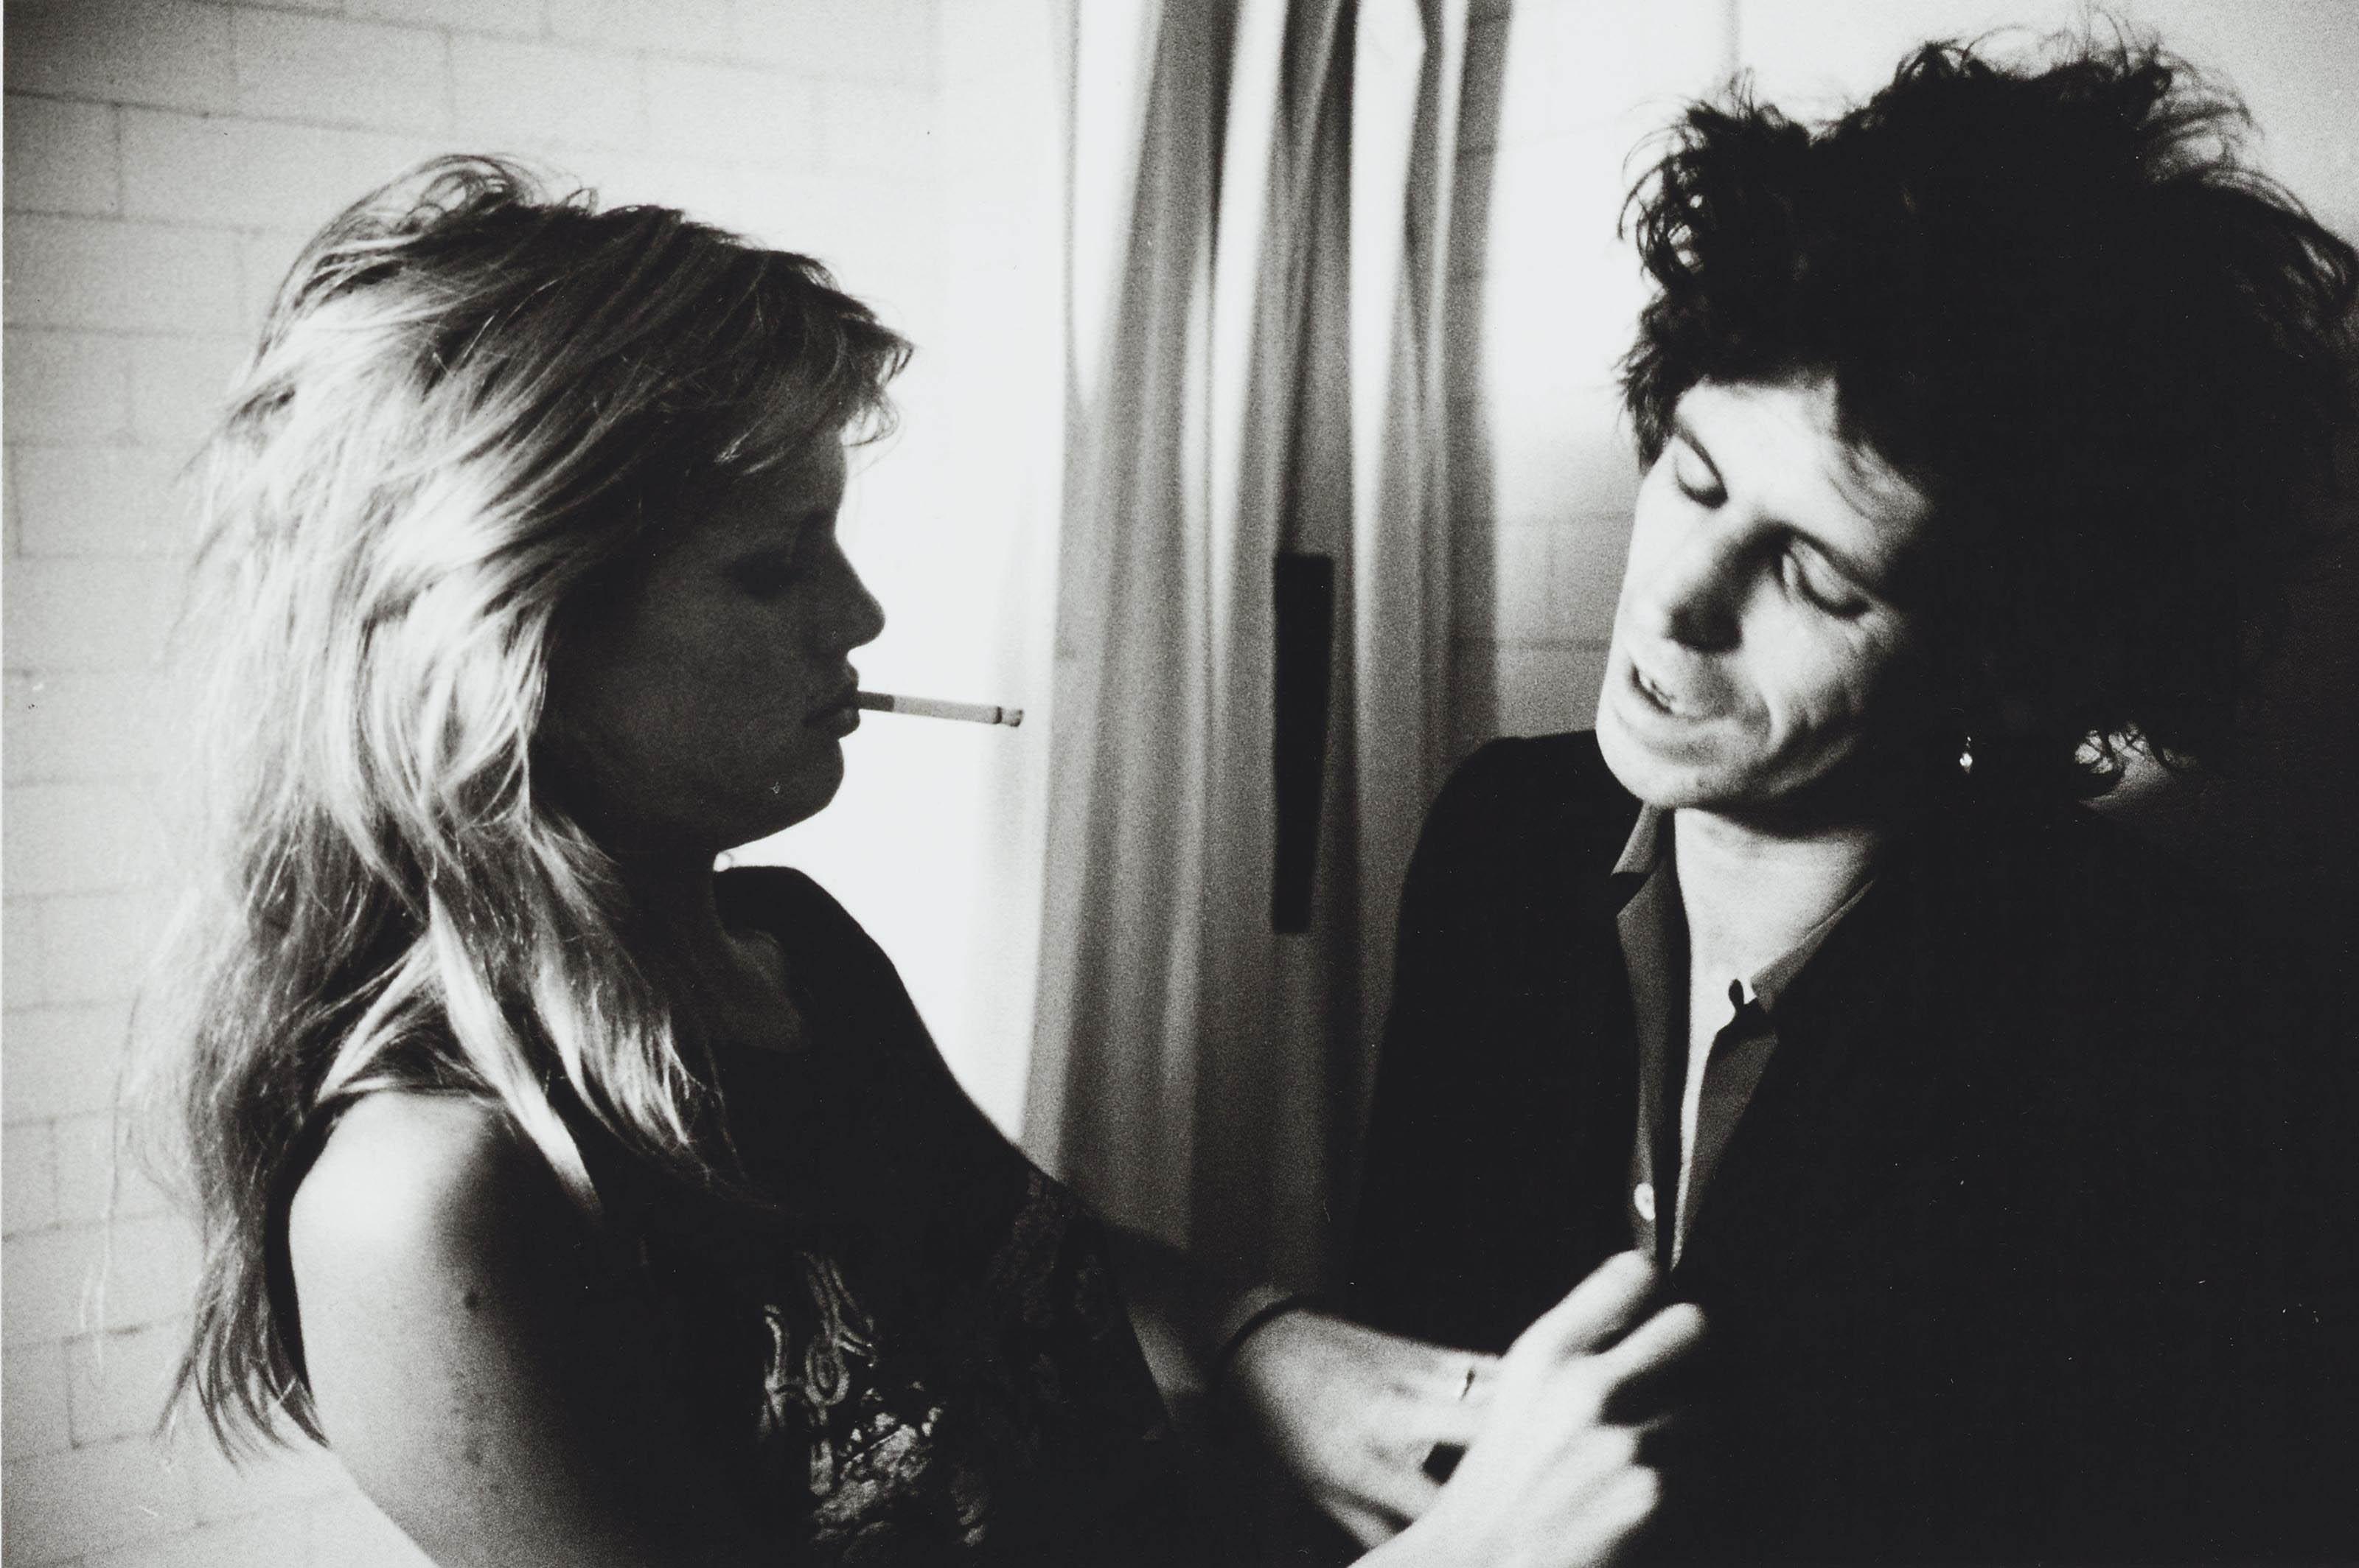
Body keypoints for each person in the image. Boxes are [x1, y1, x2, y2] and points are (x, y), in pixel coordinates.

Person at [144, 157, 1704, 1567]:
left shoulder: (789, 950)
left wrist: (1254, 1341)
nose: (859, 615)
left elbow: (1023, 1261)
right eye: (773, 564)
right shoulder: (430, 1201)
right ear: (514, 637)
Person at [1223, 33, 2359, 1564]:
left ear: (2005, 666)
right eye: (1693, 481)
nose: (1674, 602)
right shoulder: (1504, 835)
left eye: (1814, 577)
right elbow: (1409, 1394)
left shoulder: (2172, 1029)